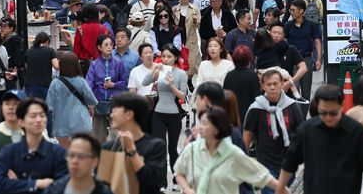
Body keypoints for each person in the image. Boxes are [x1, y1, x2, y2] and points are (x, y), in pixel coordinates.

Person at [276, 85, 363, 194]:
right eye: (323, 113)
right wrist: (280, 189)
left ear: (342, 105)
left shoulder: (358, 133)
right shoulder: (306, 131)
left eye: (333, 113)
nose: (328, 117)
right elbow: (289, 163)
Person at [174, 106, 285, 194]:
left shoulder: (233, 154)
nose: (200, 127)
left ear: (217, 129)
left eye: (205, 123)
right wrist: (187, 189)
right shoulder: (192, 150)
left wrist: (282, 188)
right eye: (200, 123)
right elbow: (179, 172)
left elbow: (260, 175)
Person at [243, 70, 304, 194]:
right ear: (263, 86)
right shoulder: (256, 108)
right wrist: (243, 158)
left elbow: (302, 132)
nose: (272, 87)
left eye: (275, 84)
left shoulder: (291, 106)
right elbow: (247, 134)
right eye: (268, 84)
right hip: (265, 163)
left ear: (282, 84)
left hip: (289, 162)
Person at [0, 98, 68, 193]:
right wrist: (37, 184)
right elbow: (1, 185)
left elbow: (62, 188)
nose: (38, 120)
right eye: (33, 116)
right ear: (21, 122)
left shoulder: (59, 153)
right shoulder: (8, 153)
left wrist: (18, 184)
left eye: (42, 115)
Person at [142, 43, 188, 191]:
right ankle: (162, 183)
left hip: (174, 114)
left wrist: (172, 85)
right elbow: (145, 82)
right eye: (163, 56)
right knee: (160, 148)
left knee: (173, 149)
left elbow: (183, 95)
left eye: (169, 56)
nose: (166, 59)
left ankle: (176, 179)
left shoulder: (181, 74)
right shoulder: (159, 71)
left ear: (175, 57)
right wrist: (155, 69)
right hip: (158, 113)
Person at [107, 92, 167, 194]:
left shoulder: (155, 146)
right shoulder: (108, 147)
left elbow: (150, 182)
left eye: (115, 110)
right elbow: (104, 185)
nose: (111, 115)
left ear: (129, 114)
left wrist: (131, 151)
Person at [46, 53, 98, 148]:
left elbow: (49, 105)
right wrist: (91, 107)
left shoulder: (55, 83)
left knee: (64, 154)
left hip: (61, 124)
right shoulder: (81, 81)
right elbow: (91, 99)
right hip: (80, 122)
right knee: (81, 153)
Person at [86, 35, 127, 142]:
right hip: (98, 102)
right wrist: (90, 103)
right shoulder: (94, 64)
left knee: (116, 134)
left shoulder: (118, 63)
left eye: (111, 44)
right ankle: (100, 157)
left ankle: (114, 157)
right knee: (98, 135)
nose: (109, 47)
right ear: (99, 47)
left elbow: (124, 82)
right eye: (106, 45)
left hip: (114, 102)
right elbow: (88, 84)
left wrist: (114, 85)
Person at [284, 0, 321, 116]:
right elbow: (284, 42)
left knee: (306, 92)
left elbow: (317, 41)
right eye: (290, 10)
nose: (291, 12)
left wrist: (319, 59)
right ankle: (296, 118)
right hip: (293, 62)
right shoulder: (288, 25)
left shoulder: (311, 25)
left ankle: (303, 117)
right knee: (295, 91)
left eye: (293, 10)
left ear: (301, 11)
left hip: (306, 60)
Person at [44, 134, 112, 194]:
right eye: (71, 155)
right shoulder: (54, 190)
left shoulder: (104, 191)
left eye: (81, 156)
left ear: (94, 161)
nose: (75, 161)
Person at [269, 22, 308, 100]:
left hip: (287, 93)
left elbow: (304, 68)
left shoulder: (290, 49)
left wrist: (290, 82)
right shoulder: (264, 49)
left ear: (284, 35)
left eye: (279, 33)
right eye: (274, 32)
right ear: (269, 33)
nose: (276, 35)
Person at [223, 46, 261, 124]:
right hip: (249, 114)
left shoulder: (229, 75)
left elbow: (225, 96)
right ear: (249, 60)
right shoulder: (253, 76)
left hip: (232, 115)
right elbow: (256, 97)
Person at [172, 0, 202, 78]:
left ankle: (189, 81)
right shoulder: (174, 9)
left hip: (191, 38)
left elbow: (199, 25)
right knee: (179, 60)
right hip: (178, 38)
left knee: (191, 62)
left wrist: (195, 21)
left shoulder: (195, 9)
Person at [74, 4, 109, 74]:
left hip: (85, 64)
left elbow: (76, 50)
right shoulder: (105, 29)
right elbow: (109, 48)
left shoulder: (80, 29)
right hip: (102, 63)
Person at [24, 32, 59, 102]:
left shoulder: (29, 51)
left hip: (30, 84)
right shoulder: (50, 51)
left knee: (31, 107)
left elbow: (26, 66)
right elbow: (56, 66)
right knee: (46, 108)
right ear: (47, 41)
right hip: (45, 84)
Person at [0, 17, 25, 89]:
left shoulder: (15, 40)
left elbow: (18, 57)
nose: (2, 28)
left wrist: (16, 68)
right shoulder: (5, 39)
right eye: (1, 26)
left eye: (4, 26)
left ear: (11, 28)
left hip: (13, 72)